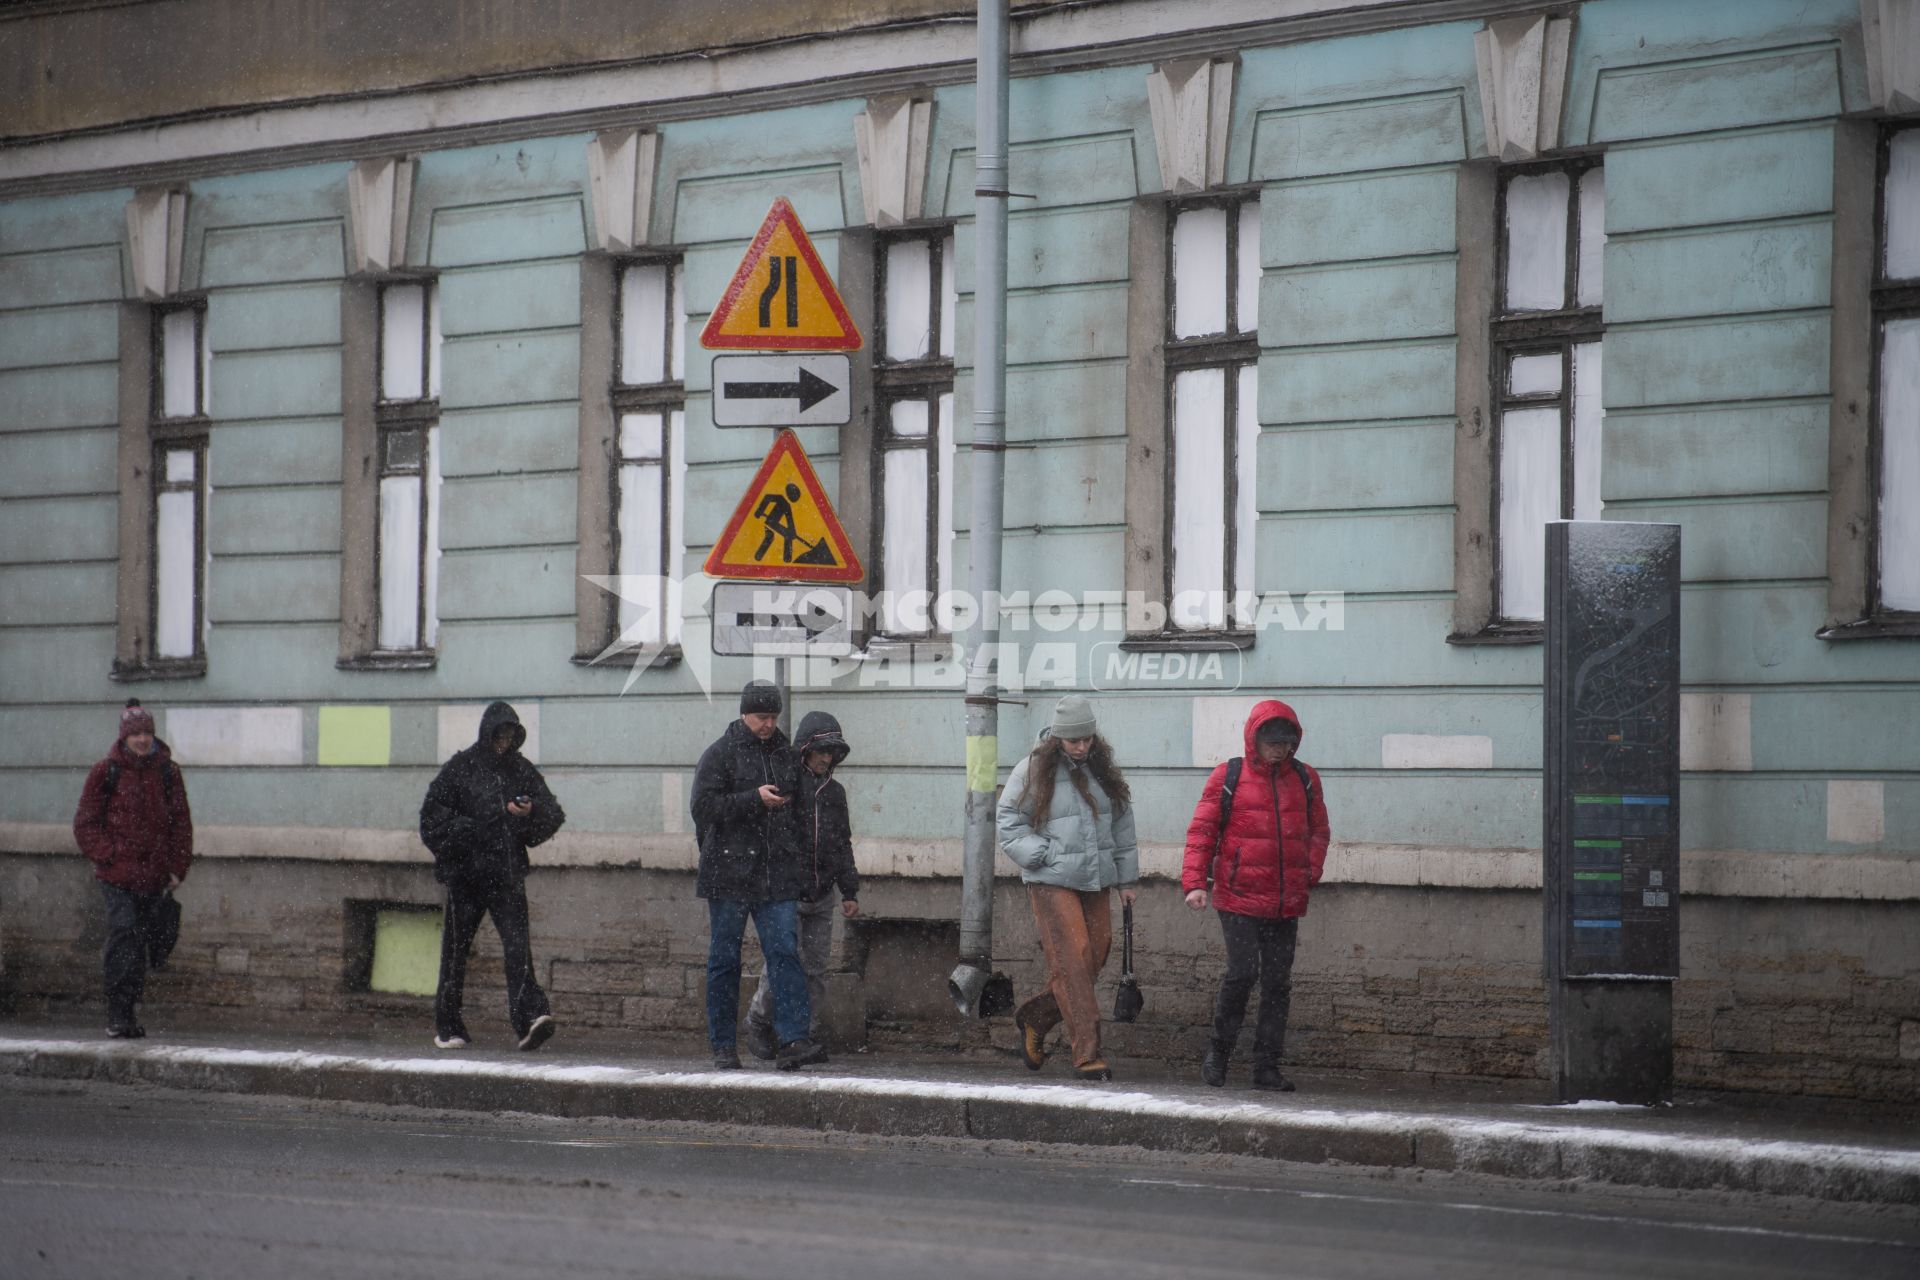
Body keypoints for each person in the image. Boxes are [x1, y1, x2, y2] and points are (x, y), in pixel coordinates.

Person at [1180, 699, 1330, 1092]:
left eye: (1286, 742)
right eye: (1272, 741)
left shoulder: (1306, 778)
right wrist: (1195, 882)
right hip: (1239, 897)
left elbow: (1318, 832)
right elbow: (1202, 832)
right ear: (1255, 739)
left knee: (1278, 984)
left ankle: (1267, 1068)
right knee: (1242, 974)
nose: (1279, 749)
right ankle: (1218, 1053)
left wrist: (1309, 871)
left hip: (1284, 902)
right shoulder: (1228, 775)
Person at [996, 694, 1138, 1082]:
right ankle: (1086, 1055)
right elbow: (1008, 819)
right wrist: (1041, 854)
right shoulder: (1033, 768)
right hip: (1052, 879)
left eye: (1086, 739)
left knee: (1096, 952)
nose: (1081, 746)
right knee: (1073, 958)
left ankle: (1037, 1016)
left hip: (1096, 879)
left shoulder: (1102, 769)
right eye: (1073, 739)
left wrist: (1126, 879)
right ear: (1058, 737)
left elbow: (1123, 826)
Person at [691, 681, 828, 1071]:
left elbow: (800, 813)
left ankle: (793, 1039)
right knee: (724, 959)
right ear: (743, 714)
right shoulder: (720, 755)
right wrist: (754, 799)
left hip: (775, 875)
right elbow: (703, 808)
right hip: (729, 874)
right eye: (761, 717)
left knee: (785, 953)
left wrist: (798, 862)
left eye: (773, 717)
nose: (768, 724)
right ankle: (722, 1045)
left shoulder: (786, 755)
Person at [419, 701, 564, 1052]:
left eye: (511, 735)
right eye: (500, 734)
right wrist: (489, 817)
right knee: (455, 953)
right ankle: (448, 1025)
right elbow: (431, 822)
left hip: (507, 875)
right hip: (465, 878)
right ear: (488, 734)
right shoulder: (460, 769)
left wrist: (527, 814)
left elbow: (552, 814)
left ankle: (529, 1020)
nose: (505, 741)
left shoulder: (520, 769)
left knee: (518, 949)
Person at [72, 699, 193, 1039]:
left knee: (142, 941)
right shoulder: (105, 771)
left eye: (147, 733)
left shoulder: (168, 772)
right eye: (136, 733)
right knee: (123, 934)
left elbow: (181, 824)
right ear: (124, 737)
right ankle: (118, 1012)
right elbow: (85, 824)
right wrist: (109, 855)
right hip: (117, 876)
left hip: (153, 876)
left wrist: (176, 867)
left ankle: (128, 1012)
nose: (142, 740)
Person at [745, 710, 858, 1060]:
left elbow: (842, 842)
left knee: (816, 969)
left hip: (823, 893)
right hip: (787, 892)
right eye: (821, 750)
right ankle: (759, 1020)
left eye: (833, 753)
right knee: (782, 962)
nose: (827, 758)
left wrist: (849, 889)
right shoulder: (788, 783)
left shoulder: (835, 793)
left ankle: (803, 1037)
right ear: (805, 749)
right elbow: (773, 835)